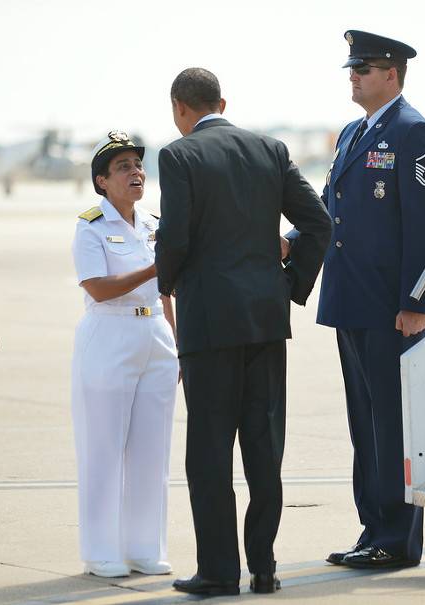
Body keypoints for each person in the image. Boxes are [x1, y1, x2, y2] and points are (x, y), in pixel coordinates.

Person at [155, 67, 332, 596]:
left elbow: (176, 237)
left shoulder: (178, 155)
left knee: (209, 451)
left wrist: (168, 285)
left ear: (179, 108)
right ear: (221, 103)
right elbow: (319, 222)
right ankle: (264, 569)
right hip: (265, 321)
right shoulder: (270, 150)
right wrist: (289, 286)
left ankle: (218, 572)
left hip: (209, 324)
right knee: (263, 447)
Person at [290, 30, 425, 569]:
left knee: (394, 424)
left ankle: (398, 538)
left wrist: (416, 300)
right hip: (352, 300)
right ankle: (373, 526)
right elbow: (341, 214)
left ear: (392, 75)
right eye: (352, 68)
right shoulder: (353, 134)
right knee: (366, 425)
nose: (354, 75)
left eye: (365, 67)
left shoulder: (414, 132)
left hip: (391, 308)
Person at [71, 131, 179, 579]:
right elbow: (97, 286)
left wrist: (175, 340)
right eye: (123, 167)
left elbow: (166, 290)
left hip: (154, 332)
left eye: (137, 164)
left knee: (152, 450)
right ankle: (100, 551)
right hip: (110, 332)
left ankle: (143, 547)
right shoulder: (90, 226)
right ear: (102, 181)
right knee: (104, 448)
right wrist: (157, 266)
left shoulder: (155, 225)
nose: (135, 173)